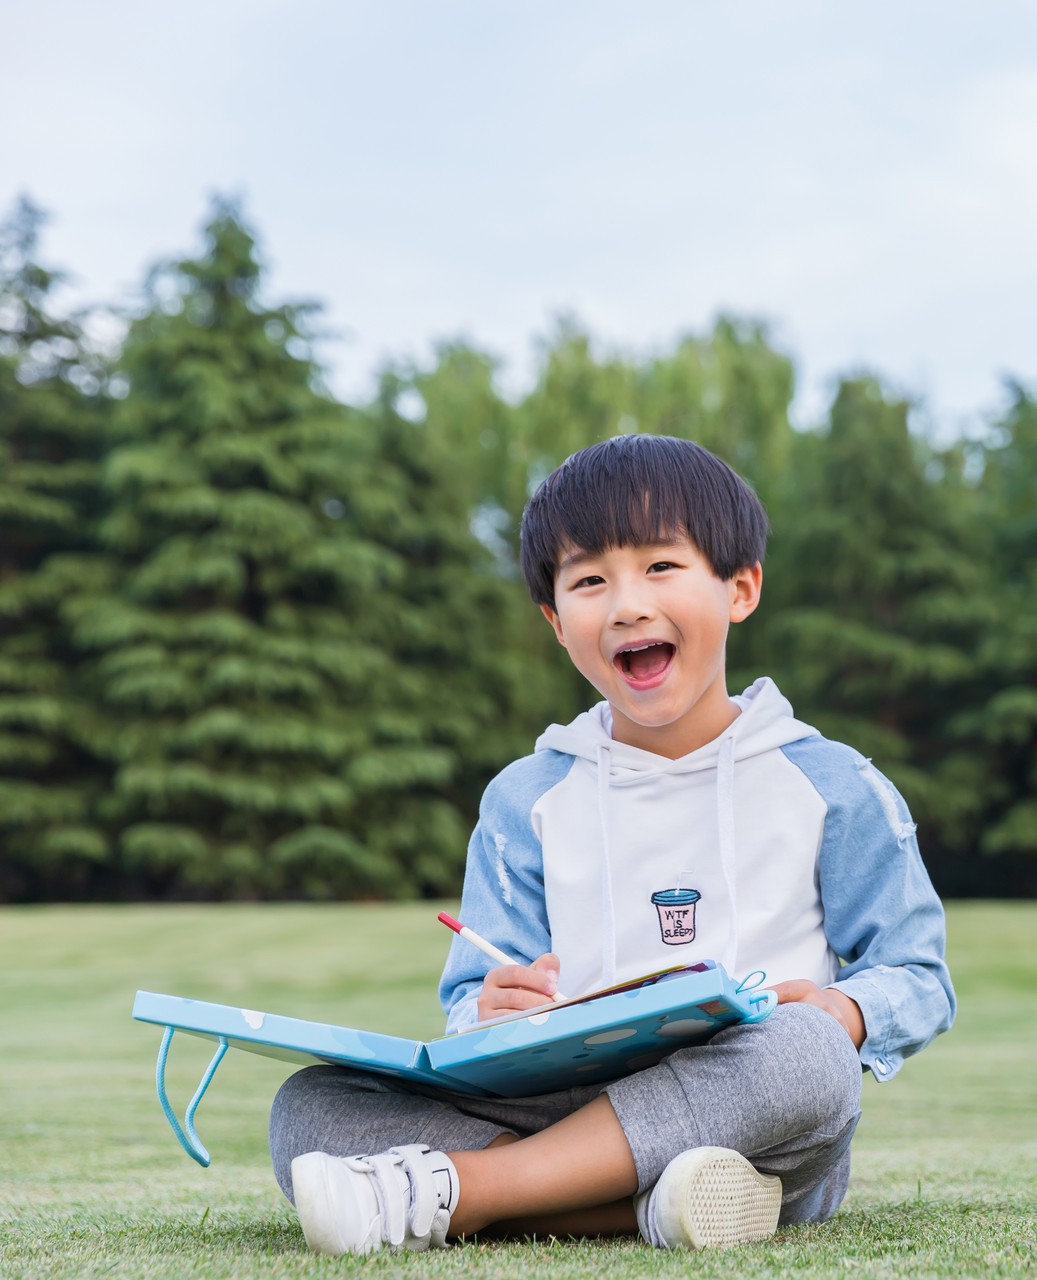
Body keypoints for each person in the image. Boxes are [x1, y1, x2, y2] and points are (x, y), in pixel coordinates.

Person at [267, 433, 956, 1254]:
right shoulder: (526, 799)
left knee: (809, 1056)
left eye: (661, 567)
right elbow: (469, 1002)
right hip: (566, 1101)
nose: (627, 604)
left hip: (747, 1111)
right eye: (590, 581)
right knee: (310, 1104)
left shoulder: (834, 783)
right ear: (559, 623)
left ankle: (472, 1191)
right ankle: (654, 1210)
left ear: (740, 588)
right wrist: (489, 1008)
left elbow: (918, 975)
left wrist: (844, 1009)